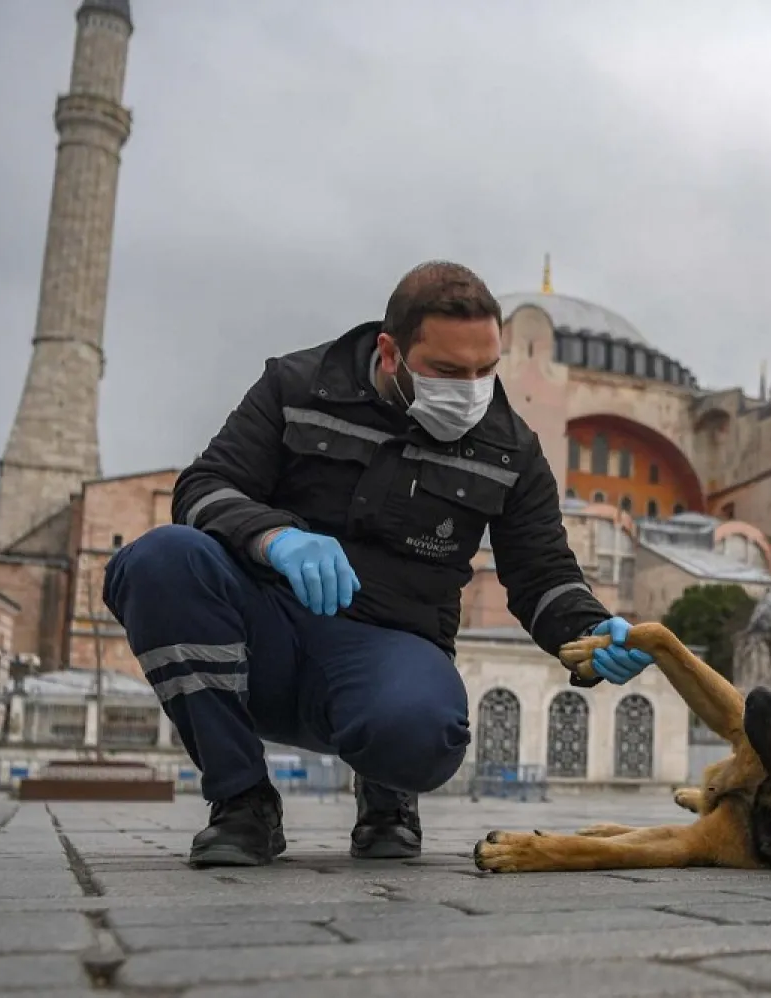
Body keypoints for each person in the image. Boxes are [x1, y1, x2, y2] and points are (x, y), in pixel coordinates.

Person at [102, 261, 654, 868]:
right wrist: (274, 537)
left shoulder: (511, 448)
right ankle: (242, 801)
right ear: (390, 352)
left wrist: (589, 631)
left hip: (388, 647)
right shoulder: (297, 386)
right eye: (447, 371)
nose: (470, 389)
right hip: (262, 634)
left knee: (421, 733)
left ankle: (388, 792)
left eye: (485, 370)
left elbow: (541, 572)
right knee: (159, 560)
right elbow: (205, 487)